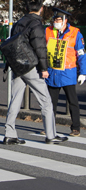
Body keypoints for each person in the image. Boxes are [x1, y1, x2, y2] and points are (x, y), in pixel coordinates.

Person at [3, 0, 68, 145]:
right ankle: (51, 135)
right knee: (45, 100)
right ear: (41, 9)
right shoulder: (36, 24)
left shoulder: (19, 22)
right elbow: (40, 48)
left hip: (16, 66)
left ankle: (9, 134)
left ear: (27, 9)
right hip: (30, 66)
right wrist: (44, 69)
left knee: (15, 99)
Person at [43, 7, 86, 137]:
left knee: (72, 101)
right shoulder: (48, 31)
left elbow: (81, 54)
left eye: (58, 19)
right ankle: (49, 127)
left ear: (65, 20)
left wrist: (83, 72)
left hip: (68, 71)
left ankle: (76, 128)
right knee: (51, 103)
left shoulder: (75, 33)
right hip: (53, 72)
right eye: (54, 19)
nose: (56, 22)